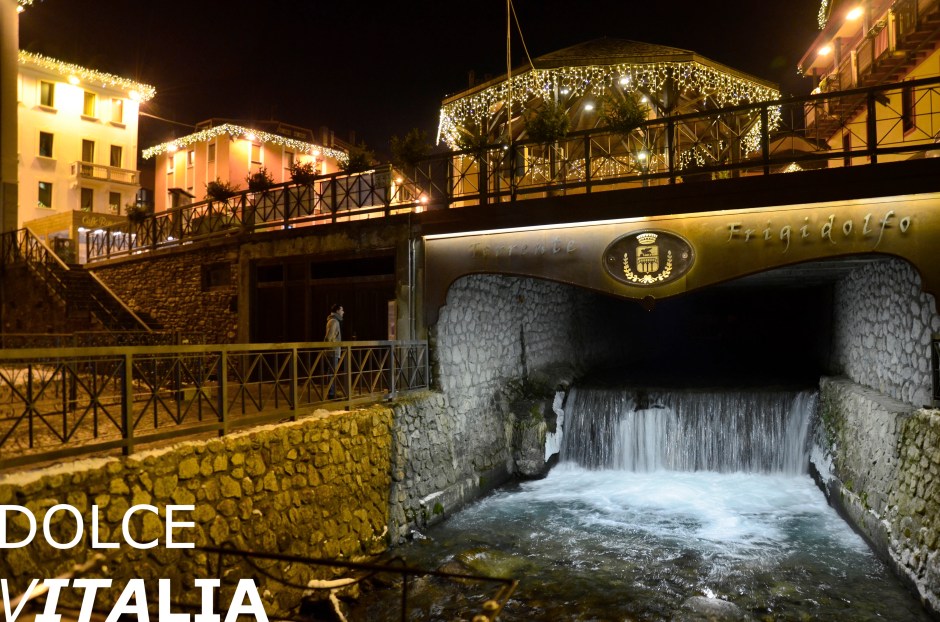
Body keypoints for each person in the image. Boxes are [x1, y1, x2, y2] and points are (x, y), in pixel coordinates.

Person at [324, 304, 344, 398]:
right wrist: (332, 347)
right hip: (333, 351)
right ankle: (331, 393)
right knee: (332, 372)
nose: (343, 312)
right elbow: (329, 337)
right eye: (341, 310)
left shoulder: (332, 321)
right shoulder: (334, 321)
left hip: (332, 350)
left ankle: (331, 392)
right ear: (337, 311)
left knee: (331, 372)